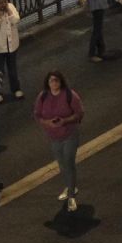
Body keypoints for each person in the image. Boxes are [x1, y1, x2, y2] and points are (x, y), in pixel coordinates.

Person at [33, 71, 85, 213]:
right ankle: (70, 186)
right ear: (47, 83)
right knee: (62, 165)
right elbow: (37, 115)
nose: (54, 83)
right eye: (51, 81)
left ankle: (72, 196)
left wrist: (65, 121)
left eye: (56, 80)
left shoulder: (70, 95)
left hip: (69, 134)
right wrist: (47, 123)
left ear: (61, 82)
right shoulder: (42, 97)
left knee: (68, 162)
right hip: (54, 137)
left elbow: (79, 113)